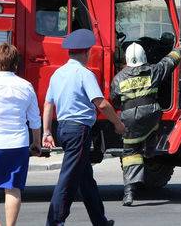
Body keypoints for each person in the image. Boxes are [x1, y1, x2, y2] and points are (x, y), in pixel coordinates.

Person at [42, 29, 125, 226]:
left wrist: (46, 132)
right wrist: (118, 123)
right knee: (68, 179)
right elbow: (101, 103)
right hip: (79, 130)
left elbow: (48, 105)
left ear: (70, 52)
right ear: (86, 53)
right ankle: (54, 222)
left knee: (85, 178)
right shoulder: (84, 74)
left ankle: (100, 221)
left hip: (63, 129)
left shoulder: (57, 74)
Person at [110, 42, 181, 206]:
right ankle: (150, 149)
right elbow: (168, 62)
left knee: (129, 153)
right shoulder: (153, 71)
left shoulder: (118, 78)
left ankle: (129, 193)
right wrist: (179, 49)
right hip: (151, 116)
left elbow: (114, 101)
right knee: (154, 127)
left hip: (129, 120)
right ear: (144, 57)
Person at [0, 43, 41, 226]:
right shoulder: (26, 86)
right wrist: (36, 143)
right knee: (13, 187)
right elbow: (34, 119)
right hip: (18, 145)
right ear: (16, 63)